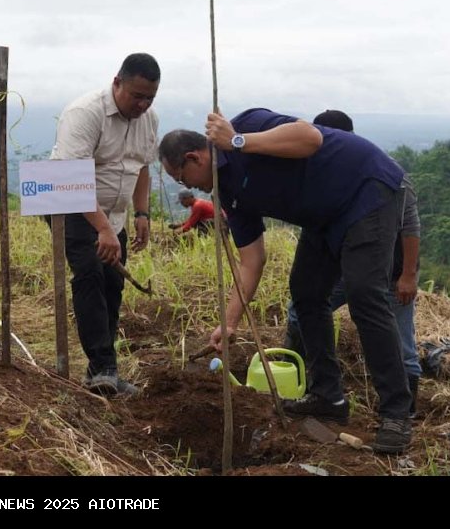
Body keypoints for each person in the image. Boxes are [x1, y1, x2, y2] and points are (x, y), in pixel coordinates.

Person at [158, 108, 414, 454]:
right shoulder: (228, 194)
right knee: (306, 293)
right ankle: (328, 397)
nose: (188, 187)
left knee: (364, 295)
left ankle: (396, 413)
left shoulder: (247, 125)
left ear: (194, 157)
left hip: (366, 191)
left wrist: (237, 141)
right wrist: (229, 322)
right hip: (322, 218)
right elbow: (252, 261)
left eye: (183, 178)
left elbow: (311, 137)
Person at [283, 110, 423, 416]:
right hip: (345, 270)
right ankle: (301, 378)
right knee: (300, 309)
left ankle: (403, 412)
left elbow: (411, 228)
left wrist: (408, 275)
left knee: (402, 342)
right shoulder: (327, 174)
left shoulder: (388, 174)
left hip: (390, 272)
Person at [50, 53, 160, 398]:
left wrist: (141, 214)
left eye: (150, 98)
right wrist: (103, 229)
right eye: (137, 96)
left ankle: (99, 370)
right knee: (90, 274)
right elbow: (72, 179)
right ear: (117, 83)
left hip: (114, 215)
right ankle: (104, 368)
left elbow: (142, 168)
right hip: (72, 206)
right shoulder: (85, 113)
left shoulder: (149, 119)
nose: (143, 104)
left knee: (113, 283)